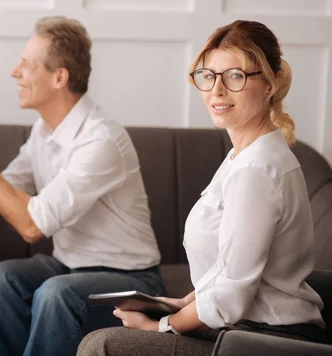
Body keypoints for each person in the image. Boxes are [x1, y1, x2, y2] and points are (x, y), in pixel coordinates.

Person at [77, 20, 327, 356]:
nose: (216, 90)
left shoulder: (256, 168)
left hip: (266, 341)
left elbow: (232, 295)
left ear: (271, 83)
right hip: (244, 327)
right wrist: (183, 303)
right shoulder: (244, 157)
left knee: (102, 346)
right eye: (208, 76)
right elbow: (233, 268)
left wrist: (163, 326)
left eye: (235, 76)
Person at [0, 16, 164, 356]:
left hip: (131, 280)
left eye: (27, 65)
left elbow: (32, 227)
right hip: (69, 264)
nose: (15, 72)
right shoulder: (43, 132)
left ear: (59, 77)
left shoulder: (100, 140)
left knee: (57, 293)